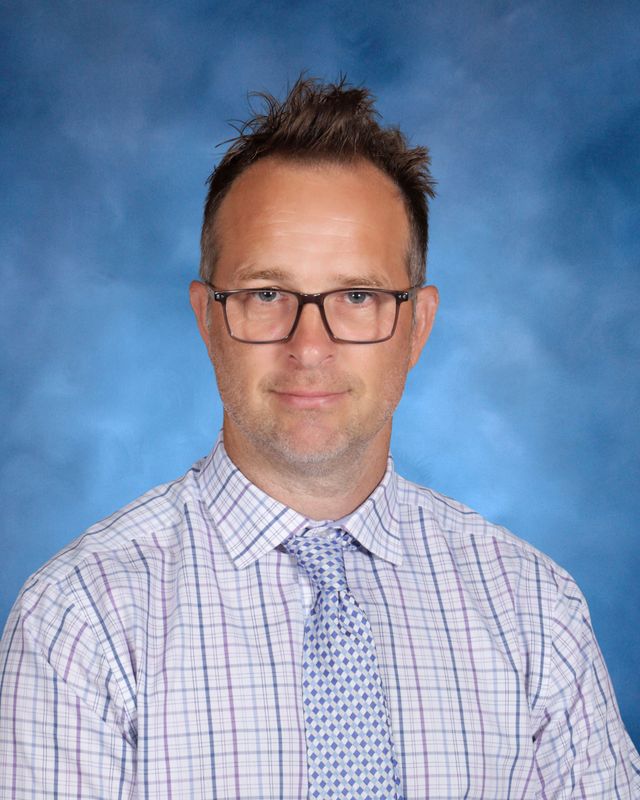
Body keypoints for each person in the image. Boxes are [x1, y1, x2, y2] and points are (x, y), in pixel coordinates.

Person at [1, 76, 638, 800]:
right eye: (266, 294)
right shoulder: (81, 620)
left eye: (358, 297)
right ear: (208, 319)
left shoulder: (534, 610)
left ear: (417, 326)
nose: (310, 346)